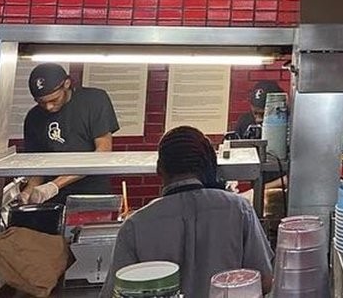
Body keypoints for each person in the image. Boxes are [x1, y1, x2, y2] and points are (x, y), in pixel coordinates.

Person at [100, 126, 274, 298]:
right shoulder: (238, 209)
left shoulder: (135, 225)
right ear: (208, 166)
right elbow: (265, 282)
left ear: (159, 168)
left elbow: (115, 294)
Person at [20, 63, 120, 204]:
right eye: (41, 102)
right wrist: (28, 192)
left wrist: (54, 185)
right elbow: (38, 166)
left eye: (54, 100)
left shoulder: (94, 100)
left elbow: (103, 151)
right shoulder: (33, 117)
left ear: (67, 84)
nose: (48, 107)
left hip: (91, 194)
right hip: (52, 199)